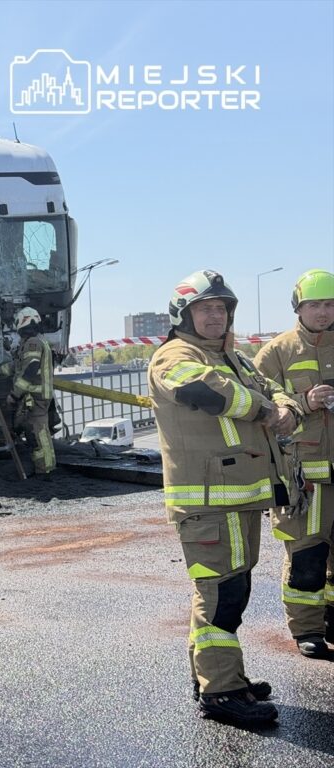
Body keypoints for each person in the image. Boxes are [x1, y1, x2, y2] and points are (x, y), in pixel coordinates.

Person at [148, 269, 301, 726]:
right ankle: (221, 693)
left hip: (236, 498)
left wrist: (286, 406)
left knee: (228, 588)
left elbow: (272, 389)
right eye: (205, 308)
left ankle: (218, 676)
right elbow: (208, 391)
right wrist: (267, 408)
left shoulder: (232, 356)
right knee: (221, 595)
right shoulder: (175, 355)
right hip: (210, 503)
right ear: (184, 314)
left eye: (222, 309)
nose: (215, 316)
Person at [253, 269, 334, 659]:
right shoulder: (277, 352)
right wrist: (304, 403)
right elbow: (259, 405)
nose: (323, 312)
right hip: (304, 477)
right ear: (298, 307)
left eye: (330, 304)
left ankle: (331, 615)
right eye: (315, 304)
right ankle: (307, 630)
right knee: (306, 556)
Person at [8, 306, 55, 476]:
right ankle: (43, 468)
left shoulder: (32, 343)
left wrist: (15, 394)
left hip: (36, 397)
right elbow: (16, 366)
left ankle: (45, 470)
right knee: (34, 433)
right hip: (36, 396)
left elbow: (31, 368)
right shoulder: (32, 343)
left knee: (39, 435)